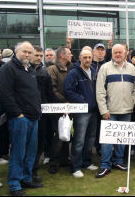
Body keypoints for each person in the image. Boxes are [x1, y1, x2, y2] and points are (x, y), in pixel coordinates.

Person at [0, 41, 43, 196]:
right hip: (19, 119)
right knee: (18, 152)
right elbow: (5, 94)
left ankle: (26, 178)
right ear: (17, 52)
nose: (28, 55)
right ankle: (15, 185)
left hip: (33, 117)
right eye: (25, 51)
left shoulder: (30, 69)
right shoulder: (8, 69)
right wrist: (17, 113)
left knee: (31, 151)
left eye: (30, 52)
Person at [95, 44, 135, 178]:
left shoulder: (132, 69)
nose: (118, 55)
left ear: (125, 53)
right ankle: (105, 165)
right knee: (107, 140)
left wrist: (133, 101)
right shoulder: (105, 68)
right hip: (110, 111)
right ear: (112, 54)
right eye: (115, 53)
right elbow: (100, 91)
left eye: (120, 52)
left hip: (127, 110)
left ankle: (118, 161)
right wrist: (103, 110)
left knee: (122, 138)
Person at [64, 49, 99, 178]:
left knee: (90, 139)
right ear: (80, 58)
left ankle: (87, 162)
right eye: (85, 57)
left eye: (89, 57)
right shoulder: (74, 73)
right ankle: (75, 167)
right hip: (81, 111)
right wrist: (83, 101)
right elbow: (68, 91)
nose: (87, 60)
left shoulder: (95, 70)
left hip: (94, 110)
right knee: (79, 140)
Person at [30, 46, 56, 183]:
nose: (39, 58)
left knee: (40, 142)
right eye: (37, 55)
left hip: (43, 112)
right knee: (29, 144)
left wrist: (57, 106)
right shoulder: (25, 70)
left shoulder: (44, 72)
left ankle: (33, 171)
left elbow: (49, 93)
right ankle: (28, 170)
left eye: (40, 55)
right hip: (27, 113)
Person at [46, 46, 73, 174]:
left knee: (66, 133)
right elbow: (52, 89)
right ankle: (53, 162)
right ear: (62, 55)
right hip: (57, 108)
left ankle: (64, 159)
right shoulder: (52, 69)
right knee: (59, 135)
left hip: (69, 107)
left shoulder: (71, 68)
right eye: (69, 53)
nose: (72, 55)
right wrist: (64, 101)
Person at [0, 46, 10, 166]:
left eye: (0, 53)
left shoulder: (2, 66)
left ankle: (3, 152)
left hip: (3, 103)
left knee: (3, 129)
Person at [91, 43, 107, 156]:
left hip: (104, 101)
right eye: (98, 50)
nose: (100, 52)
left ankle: (101, 148)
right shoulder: (88, 64)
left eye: (102, 50)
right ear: (93, 51)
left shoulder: (107, 65)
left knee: (103, 126)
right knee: (93, 128)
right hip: (91, 101)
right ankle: (93, 147)